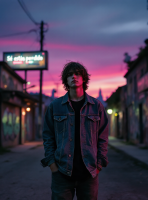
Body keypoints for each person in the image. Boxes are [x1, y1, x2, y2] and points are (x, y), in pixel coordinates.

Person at [41, 61, 109, 200]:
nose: (74, 77)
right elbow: (48, 136)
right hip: (62, 173)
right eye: (70, 74)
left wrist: (99, 165)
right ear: (66, 80)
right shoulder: (55, 106)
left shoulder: (96, 106)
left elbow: (103, 137)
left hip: (89, 173)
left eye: (77, 74)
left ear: (84, 79)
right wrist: (52, 164)